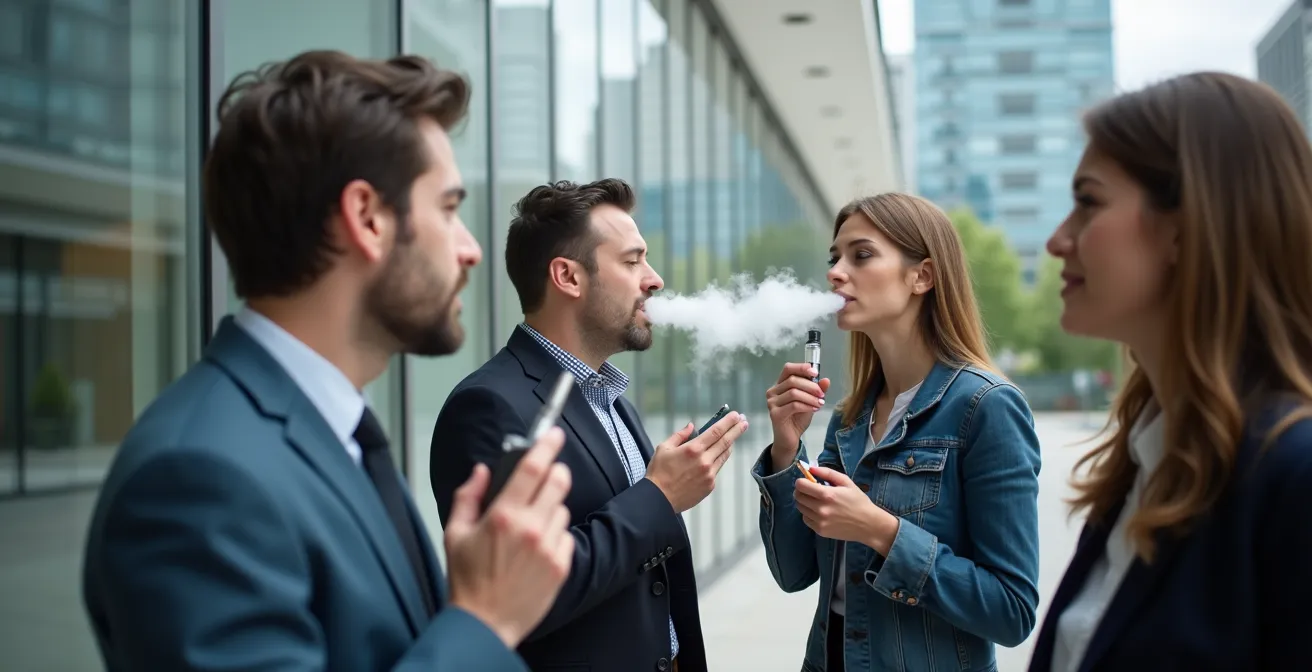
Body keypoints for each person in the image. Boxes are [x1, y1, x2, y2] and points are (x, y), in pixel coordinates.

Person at [80, 50, 575, 671]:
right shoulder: (197, 481)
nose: (470, 249)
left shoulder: (336, 434)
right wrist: (485, 620)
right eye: (448, 210)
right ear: (366, 218)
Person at [1026, 72, 1312, 672]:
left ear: (1188, 226)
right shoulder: (1144, 466)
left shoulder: (1295, 475)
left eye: (1088, 202)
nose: (1058, 240)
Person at [429, 178, 748, 672]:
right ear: (568, 277)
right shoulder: (486, 407)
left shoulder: (609, 397)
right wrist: (659, 496)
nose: (654, 279)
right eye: (632, 260)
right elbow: (521, 594)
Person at [753, 193, 1043, 671]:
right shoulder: (850, 419)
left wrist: (881, 532)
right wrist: (787, 448)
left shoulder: (986, 408)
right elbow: (794, 572)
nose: (836, 272)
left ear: (922, 276)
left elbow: (1012, 611)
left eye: (861, 255)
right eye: (835, 258)